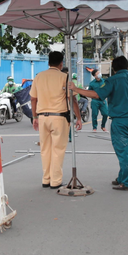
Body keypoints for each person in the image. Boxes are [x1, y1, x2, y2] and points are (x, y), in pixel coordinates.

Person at [71, 56, 128, 191]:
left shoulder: (111, 81)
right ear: (127, 67)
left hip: (119, 121)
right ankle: (122, 177)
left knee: (123, 153)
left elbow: (96, 95)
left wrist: (76, 89)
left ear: (114, 68)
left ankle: (127, 182)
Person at [30, 51, 82, 190]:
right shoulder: (65, 78)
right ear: (61, 63)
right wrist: (78, 118)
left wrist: (34, 117)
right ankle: (56, 181)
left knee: (45, 149)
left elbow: (33, 99)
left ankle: (46, 179)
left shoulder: (39, 77)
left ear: (48, 62)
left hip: (42, 117)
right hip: (59, 117)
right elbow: (73, 99)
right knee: (58, 149)